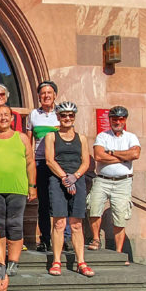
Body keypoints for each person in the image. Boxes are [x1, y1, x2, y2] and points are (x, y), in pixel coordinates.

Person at [0, 104, 36, 277]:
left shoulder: (22, 137)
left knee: (15, 224)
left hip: (17, 188)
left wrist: (32, 186)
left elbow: (30, 163)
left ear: (12, 118)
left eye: (6, 115)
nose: (3, 118)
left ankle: (13, 262)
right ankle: (1, 260)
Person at [44, 101, 93, 277]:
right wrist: (65, 178)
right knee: (59, 222)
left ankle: (81, 261)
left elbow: (86, 161)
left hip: (77, 179)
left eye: (70, 115)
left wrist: (75, 177)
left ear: (74, 117)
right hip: (58, 180)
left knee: (77, 223)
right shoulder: (51, 136)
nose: (67, 118)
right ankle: (56, 260)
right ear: (58, 116)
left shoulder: (81, 138)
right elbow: (49, 160)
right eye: (63, 115)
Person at [87, 106, 141, 264]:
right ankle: (96, 239)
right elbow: (98, 155)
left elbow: (135, 154)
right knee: (94, 207)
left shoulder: (131, 137)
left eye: (121, 119)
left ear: (125, 120)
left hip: (123, 181)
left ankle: (118, 252)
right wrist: (124, 156)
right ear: (110, 120)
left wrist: (110, 153)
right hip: (102, 179)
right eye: (114, 119)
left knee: (120, 216)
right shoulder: (102, 136)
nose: (118, 122)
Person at [26, 80, 59, 252]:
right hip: (40, 162)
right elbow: (29, 140)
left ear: (55, 95)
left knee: (60, 202)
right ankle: (45, 239)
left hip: (58, 163)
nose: (46, 96)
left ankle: (64, 238)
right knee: (44, 203)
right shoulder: (33, 115)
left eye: (49, 92)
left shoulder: (62, 113)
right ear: (39, 96)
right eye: (43, 93)